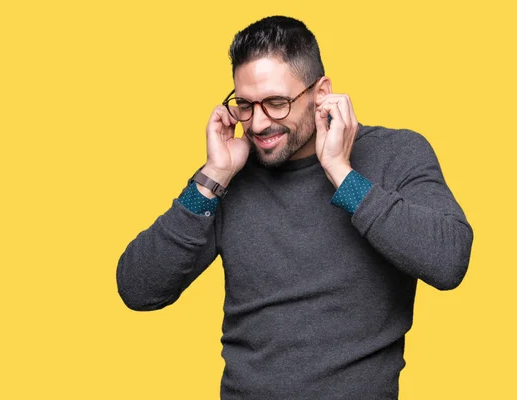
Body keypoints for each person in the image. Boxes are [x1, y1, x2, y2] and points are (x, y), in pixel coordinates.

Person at [116, 15, 473, 399]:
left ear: (321, 93)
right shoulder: (228, 176)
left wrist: (341, 172)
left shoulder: (395, 153)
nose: (257, 123)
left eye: (276, 103)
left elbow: (448, 261)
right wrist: (213, 176)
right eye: (245, 105)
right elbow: (139, 289)